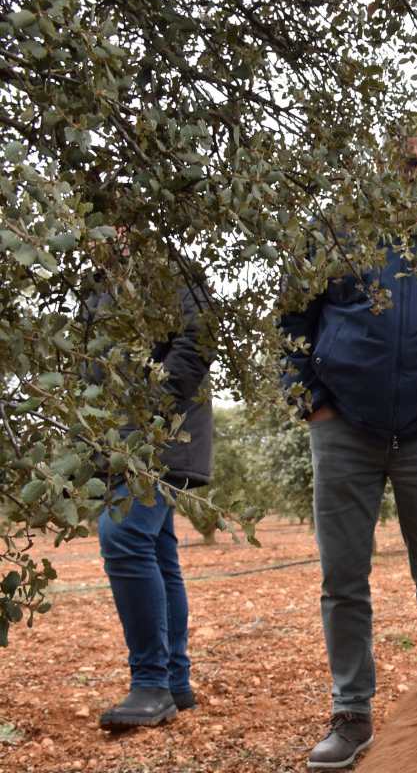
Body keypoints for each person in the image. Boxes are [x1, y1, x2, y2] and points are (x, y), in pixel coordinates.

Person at [279, 129, 417, 769]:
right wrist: (309, 401)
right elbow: (290, 321)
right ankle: (351, 714)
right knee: (343, 576)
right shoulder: (335, 235)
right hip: (344, 426)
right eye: (407, 161)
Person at [94, 258, 214, 731]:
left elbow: (197, 339)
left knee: (122, 534)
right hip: (117, 439)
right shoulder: (98, 281)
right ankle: (174, 681)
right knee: (158, 550)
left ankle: (151, 684)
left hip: (161, 434)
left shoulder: (173, 271)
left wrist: (149, 405)